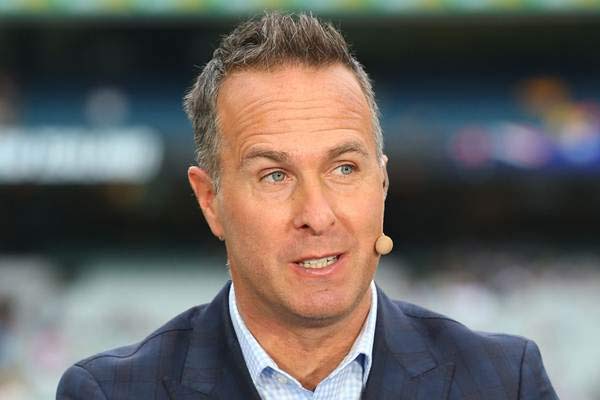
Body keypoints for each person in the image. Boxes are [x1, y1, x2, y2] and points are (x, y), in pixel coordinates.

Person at [57, 12, 558, 400]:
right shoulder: (111, 393)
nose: (317, 215)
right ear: (210, 201)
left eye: (345, 169)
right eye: (275, 175)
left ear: (382, 182)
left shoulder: (503, 381)